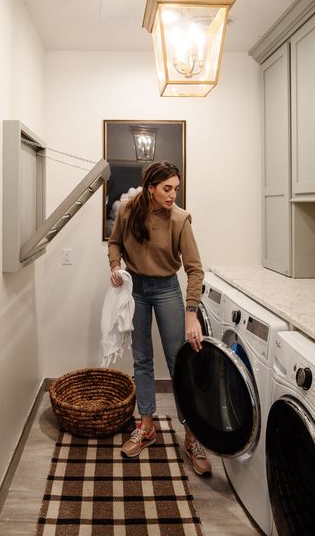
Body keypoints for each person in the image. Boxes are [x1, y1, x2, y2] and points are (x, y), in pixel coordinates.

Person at [107, 161, 212, 476]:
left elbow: (195, 270)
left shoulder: (180, 220)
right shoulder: (128, 211)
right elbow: (115, 243)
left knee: (180, 362)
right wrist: (115, 266)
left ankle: (191, 435)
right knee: (141, 359)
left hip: (167, 289)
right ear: (150, 187)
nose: (173, 194)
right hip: (135, 289)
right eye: (167, 188)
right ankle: (147, 426)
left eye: (176, 188)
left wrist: (191, 313)